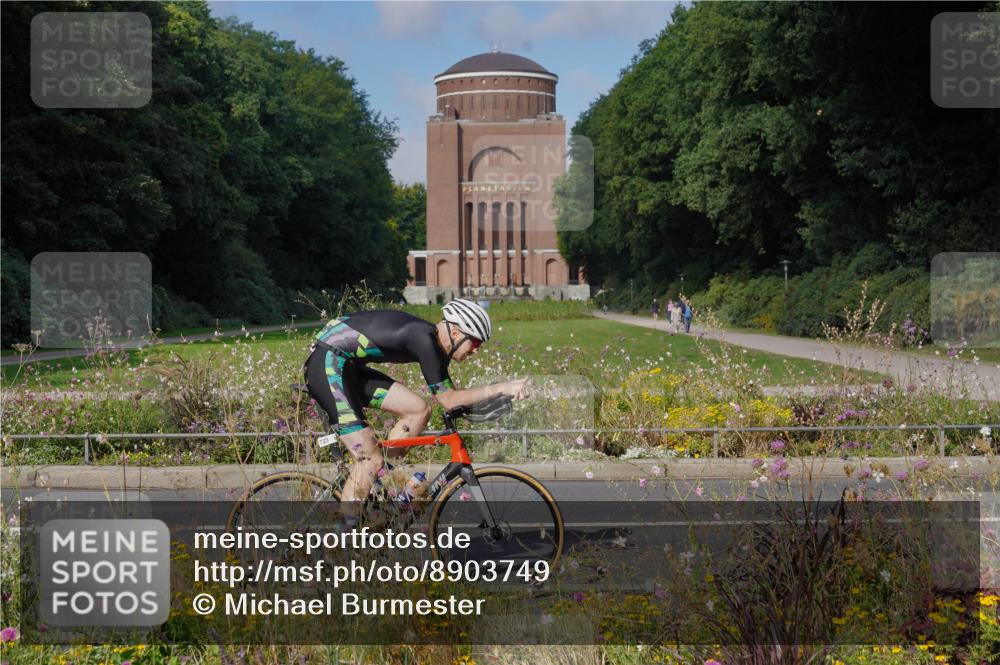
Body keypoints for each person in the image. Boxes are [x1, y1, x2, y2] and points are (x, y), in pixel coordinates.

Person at [304, 299, 528, 524]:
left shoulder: (433, 343)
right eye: (476, 341)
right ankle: (342, 541)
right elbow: (450, 400)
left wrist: (493, 396)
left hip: (347, 367)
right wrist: (501, 387)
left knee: (419, 411)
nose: (477, 350)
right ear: (457, 333)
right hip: (328, 365)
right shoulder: (424, 339)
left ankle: (380, 483)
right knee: (370, 459)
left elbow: (453, 397)